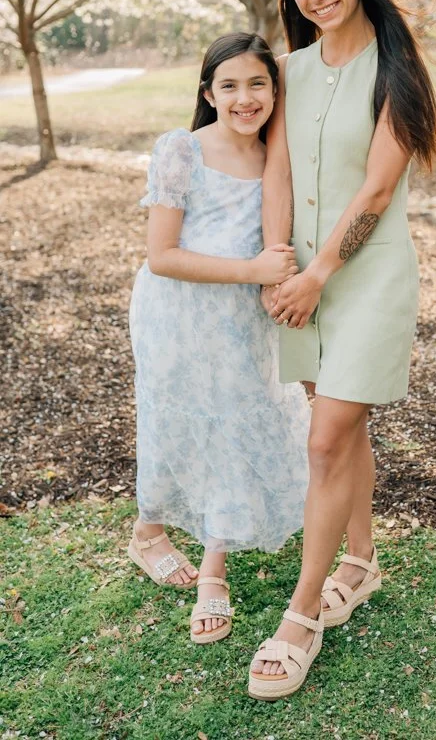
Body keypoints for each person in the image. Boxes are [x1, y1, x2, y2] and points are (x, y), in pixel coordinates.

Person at [249, 0, 436, 698]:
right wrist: (276, 266)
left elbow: (375, 191)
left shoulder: (397, 69)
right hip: (300, 279)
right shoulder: (286, 71)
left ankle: (301, 616)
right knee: (340, 425)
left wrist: (319, 274)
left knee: (325, 440)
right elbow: (276, 175)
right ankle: (358, 563)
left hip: (363, 280)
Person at [127, 32, 311, 645]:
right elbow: (161, 256)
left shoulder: (277, 159)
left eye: (258, 83)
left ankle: (213, 563)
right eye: (228, 85)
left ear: (275, 91)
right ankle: (148, 532)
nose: (244, 97)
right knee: (176, 422)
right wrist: (252, 271)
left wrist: (268, 281)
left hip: (242, 322)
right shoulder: (182, 149)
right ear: (208, 93)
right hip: (177, 313)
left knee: (231, 427)